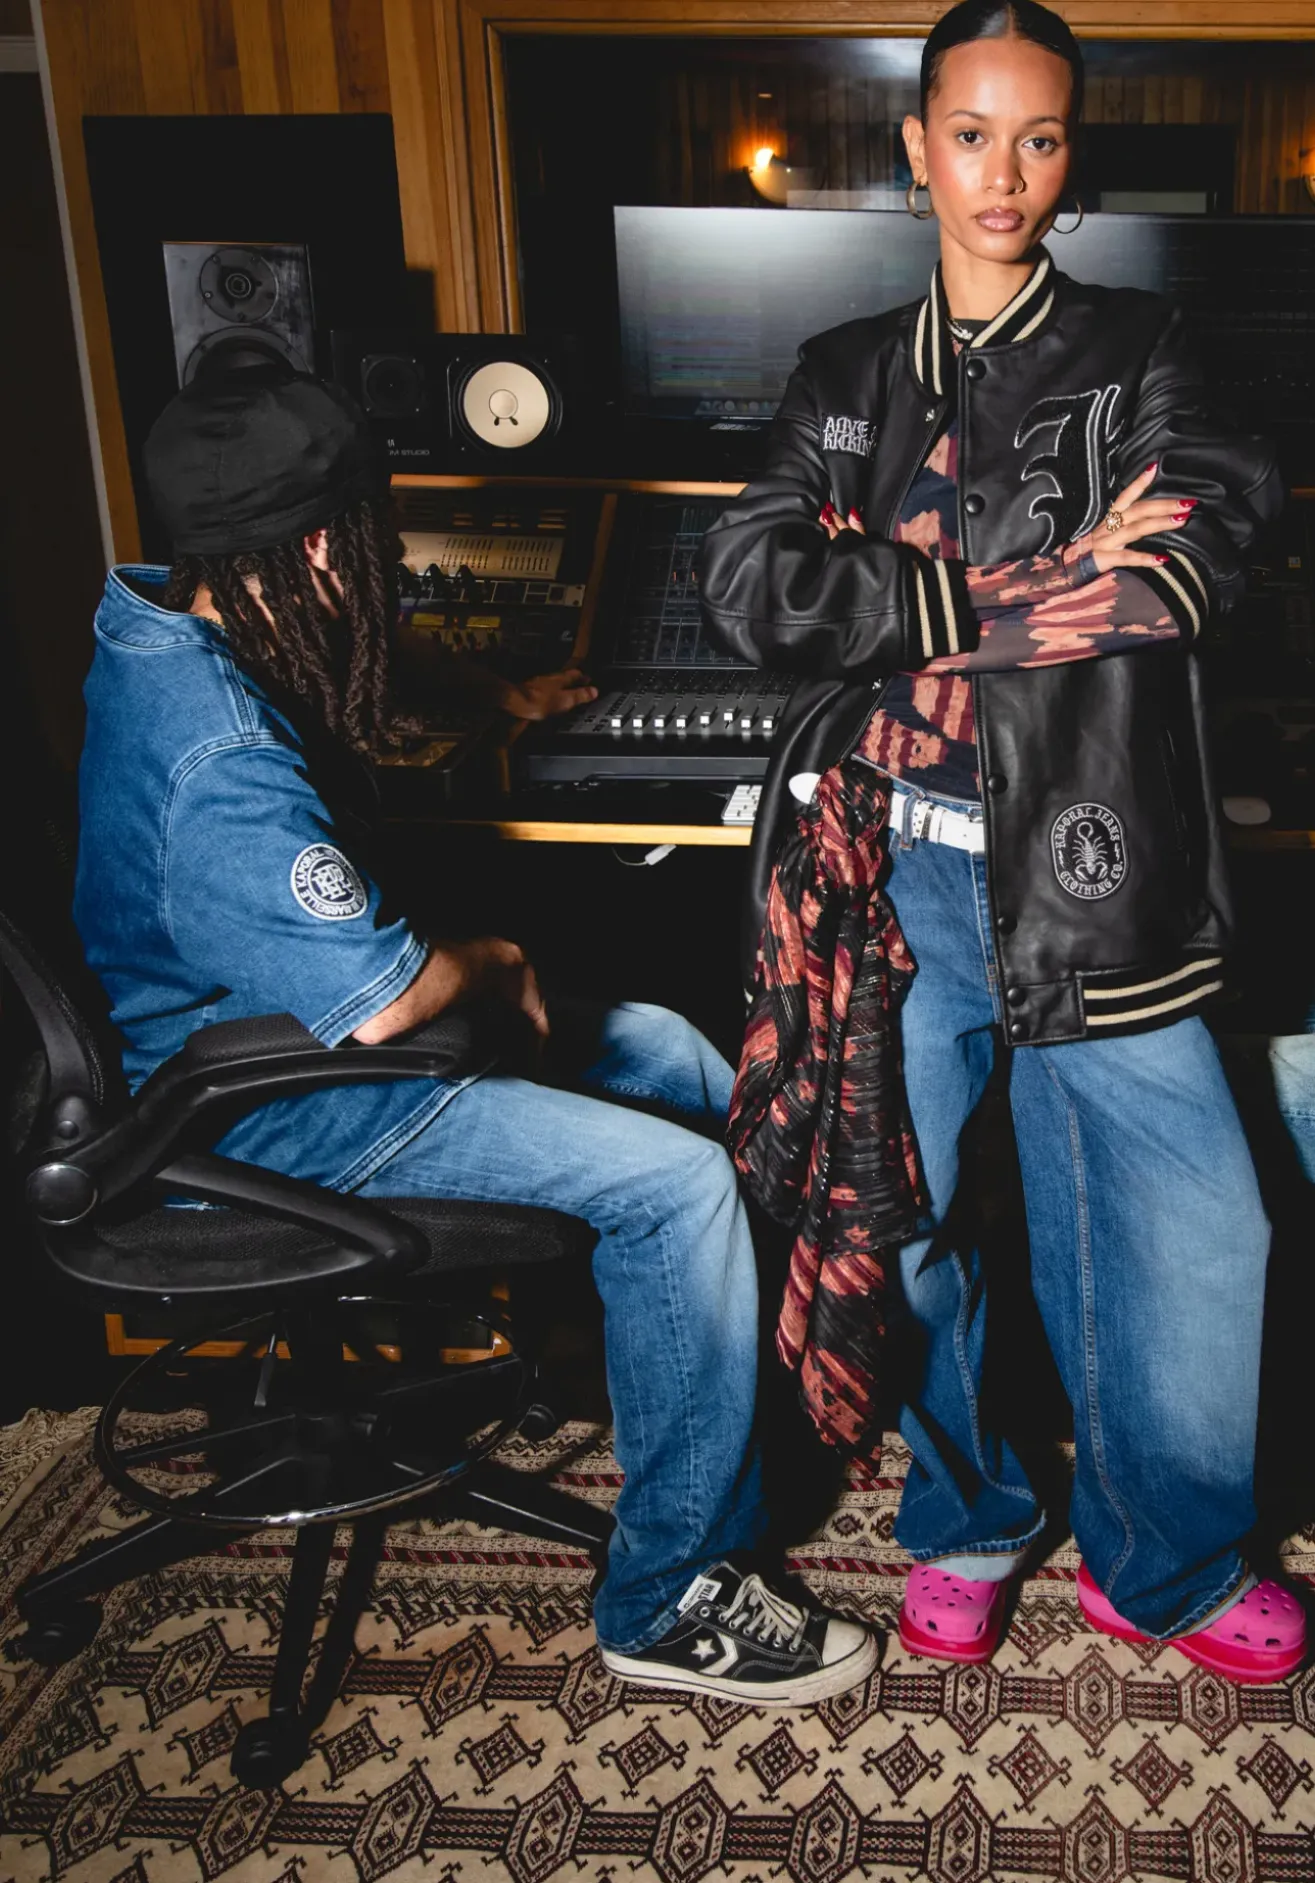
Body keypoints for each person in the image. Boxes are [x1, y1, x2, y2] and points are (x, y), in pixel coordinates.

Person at [73, 364, 878, 1706]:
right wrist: (499, 962)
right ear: (320, 549)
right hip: (273, 1109)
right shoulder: (217, 761)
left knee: (676, 1053)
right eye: (371, 541)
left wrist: (505, 696)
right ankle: (665, 1596)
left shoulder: (182, 613)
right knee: (676, 1184)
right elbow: (388, 1000)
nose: (385, 567)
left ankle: (710, 1398)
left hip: (287, 1041)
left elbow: (356, 665)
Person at [697, 0, 1307, 1684]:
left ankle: (1162, 1557)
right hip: (886, 874)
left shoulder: (1143, 346)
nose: (1003, 173)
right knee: (908, 1230)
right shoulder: (841, 373)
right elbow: (749, 585)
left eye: (1037, 138)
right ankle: (966, 1512)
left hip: (1095, 868)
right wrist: (1023, 589)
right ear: (916, 147)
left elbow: (1184, 562)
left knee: (1197, 1226)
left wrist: (898, 602)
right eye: (970, 135)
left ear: (1068, 154)